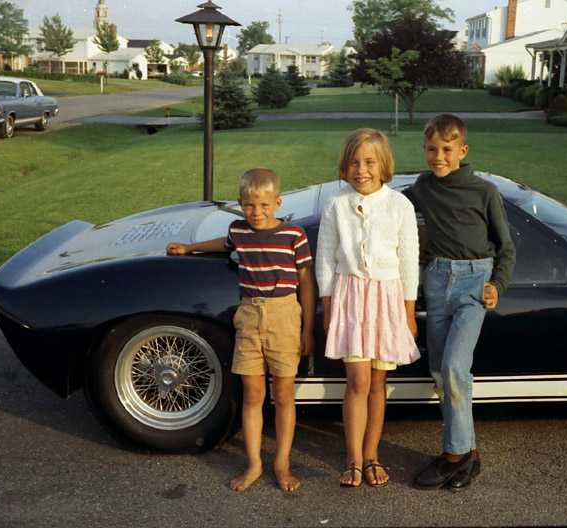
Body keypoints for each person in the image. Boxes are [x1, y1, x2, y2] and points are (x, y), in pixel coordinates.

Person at [166, 168, 315, 492]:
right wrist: (189, 248)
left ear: (277, 204)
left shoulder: (294, 235)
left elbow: (305, 281)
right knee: (253, 394)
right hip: (249, 316)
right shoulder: (239, 230)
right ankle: (254, 464)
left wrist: (307, 330)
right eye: (249, 205)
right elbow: (224, 244)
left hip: (285, 316)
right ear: (240, 203)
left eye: (264, 205)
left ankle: (282, 463)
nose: (256, 212)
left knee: (283, 395)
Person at [403, 114, 515, 492]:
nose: (438, 157)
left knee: (453, 368)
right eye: (431, 150)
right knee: (443, 375)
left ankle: (453, 456)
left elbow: (506, 248)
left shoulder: (485, 192)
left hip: (473, 285)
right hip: (436, 281)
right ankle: (471, 455)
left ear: (463, 150)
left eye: (447, 150)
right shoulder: (423, 187)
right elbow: (392, 207)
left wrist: (497, 284)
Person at [316, 128, 420, 488]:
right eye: (354, 163)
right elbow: (325, 260)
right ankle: (353, 458)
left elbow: (409, 262)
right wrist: (328, 306)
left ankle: (372, 453)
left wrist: (408, 313)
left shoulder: (399, 205)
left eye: (369, 162)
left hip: (387, 298)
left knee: (378, 381)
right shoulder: (336, 204)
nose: (361, 170)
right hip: (349, 297)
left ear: (383, 164)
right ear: (345, 166)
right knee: (357, 380)